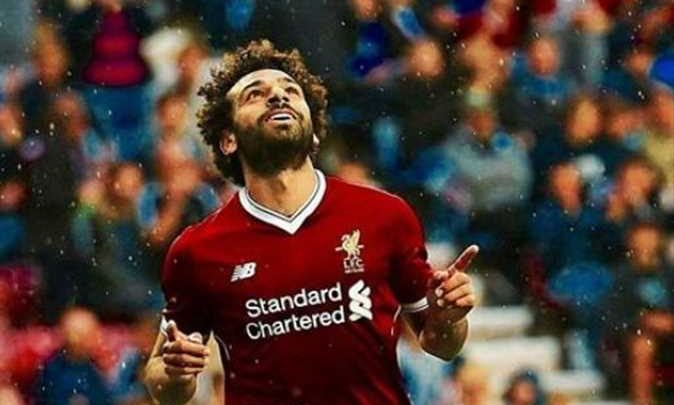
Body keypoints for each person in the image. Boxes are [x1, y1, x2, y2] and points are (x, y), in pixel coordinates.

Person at [143, 40, 478, 405]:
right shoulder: (197, 250)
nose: (277, 96)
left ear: (314, 130)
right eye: (255, 94)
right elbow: (162, 383)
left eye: (290, 91)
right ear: (228, 140)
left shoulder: (383, 215)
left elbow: (441, 345)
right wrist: (174, 371)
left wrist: (448, 318)